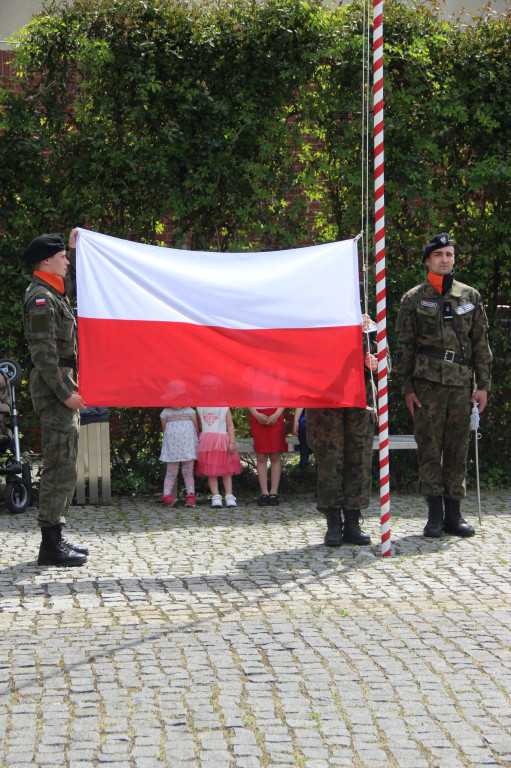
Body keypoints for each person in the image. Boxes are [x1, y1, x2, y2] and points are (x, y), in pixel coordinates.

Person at [395, 232, 492, 538]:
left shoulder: (470, 297)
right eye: (439, 255)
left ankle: (454, 516)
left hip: (462, 385)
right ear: (428, 260)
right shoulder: (413, 299)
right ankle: (434, 516)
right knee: (429, 449)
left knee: (457, 449)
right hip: (427, 387)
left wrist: (483, 385)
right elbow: (405, 348)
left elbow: (481, 344)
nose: (445, 259)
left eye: (449, 254)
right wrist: (407, 389)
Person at [22, 229, 88, 567]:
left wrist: (77, 251)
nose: (66, 262)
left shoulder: (53, 294)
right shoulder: (40, 299)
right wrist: (66, 394)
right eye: (63, 257)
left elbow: (72, 288)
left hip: (62, 384)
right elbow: (44, 356)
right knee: (58, 462)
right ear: (46, 260)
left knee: (66, 462)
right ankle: (49, 546)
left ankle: (57, 536)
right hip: (54, 388)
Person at [306, 316, 380, 547]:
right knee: (330, 461)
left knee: (358, 460)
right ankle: (333, 524)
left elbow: (385, 357)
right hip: (325, 399)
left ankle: (352, 522)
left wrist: (375, 361)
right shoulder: (316, 319)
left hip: (360, 397)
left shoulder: (366, 322)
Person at [196, 407, 242, 507]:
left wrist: (232, 442)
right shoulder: (200, 407)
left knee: (227, 470)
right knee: (211, 471)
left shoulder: (224, 408)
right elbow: (199, 425)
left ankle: (229, 495)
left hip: (222, 442)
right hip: (207, 443)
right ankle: (216, 496)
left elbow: (230, 425)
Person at [160, 406, 199, 507]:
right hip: (173, 450)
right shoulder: (165, 413)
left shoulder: (190, 411)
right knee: (171, 473)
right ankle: (166, 495)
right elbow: (164, 431)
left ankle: (191, 496)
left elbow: (196, 429)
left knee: (188, 472)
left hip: (188, 449)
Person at [248, 407, 287, 506]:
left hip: (275, 414)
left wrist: (277, 415)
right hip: (258, 414)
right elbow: (246, 397)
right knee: (261, 457)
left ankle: (274, 492)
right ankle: (264, 492)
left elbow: (284, 395)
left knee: (275, 456)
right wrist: (256, 414)